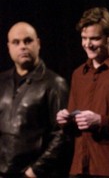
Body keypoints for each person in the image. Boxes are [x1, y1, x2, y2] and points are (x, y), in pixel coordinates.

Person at [56, 7, 109, 178]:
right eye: (84, 38)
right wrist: (65, 120)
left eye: (94, 38)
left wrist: (100, 121)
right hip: (80, 168)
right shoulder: (79, 74)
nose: (87, 44)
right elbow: (74, 126)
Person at [0, 22, 71, 178]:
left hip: (36, 174)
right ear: (9, 47)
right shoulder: (2, 81)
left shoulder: (55, 84)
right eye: (16, 42)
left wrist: (35, 171)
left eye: (28, 41)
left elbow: (63, 133)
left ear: (38, 43)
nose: (22, 46)